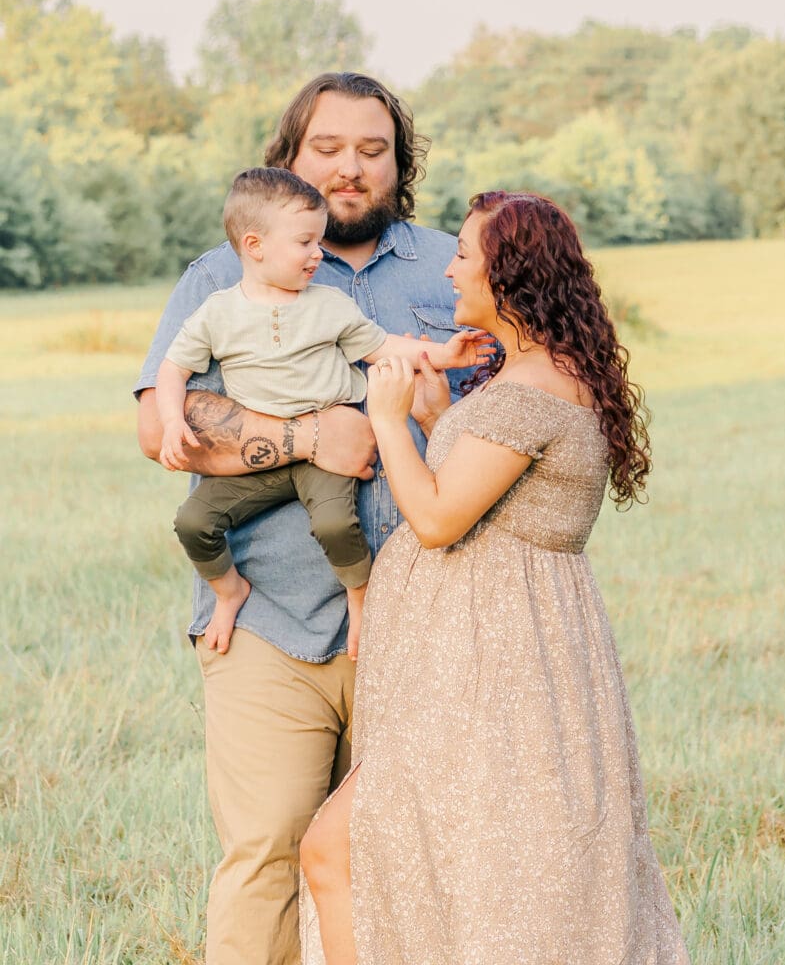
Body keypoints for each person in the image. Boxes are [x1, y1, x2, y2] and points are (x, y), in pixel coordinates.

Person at [300, 191, 690, 965]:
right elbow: (496, 501)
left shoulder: (531, 390)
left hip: (489, 674)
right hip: (483, 665)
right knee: (459, 868)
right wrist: (440, 418)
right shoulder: (535, 377)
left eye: (465, 257)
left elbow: (441, 519)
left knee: (349, 853)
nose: (449, 268)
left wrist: (386, 416)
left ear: (508, 276)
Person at [135, 72, 470, 965]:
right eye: (327, 148)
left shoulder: (453, 265)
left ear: (400, 163)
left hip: (426, 619)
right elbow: (157, 429)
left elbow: (510, 426)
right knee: (266, 855)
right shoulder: (220, 275)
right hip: (270, 623)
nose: (350, 169)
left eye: (373, 150)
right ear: (287, 154)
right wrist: (307, 433)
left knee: (419, 857)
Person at [157, 166, 491, 656]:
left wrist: (443, 355)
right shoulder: (217, 312)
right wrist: (171, 422)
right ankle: (229, 592)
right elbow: (172, 370)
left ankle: (359, 595)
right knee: (193, 522)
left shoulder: (328, 305)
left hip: (329, 458)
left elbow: (382, 347)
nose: (319, 253)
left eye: (319, 241)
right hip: (262, 460)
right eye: (306, 243)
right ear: (255, 247)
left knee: (335, 526)